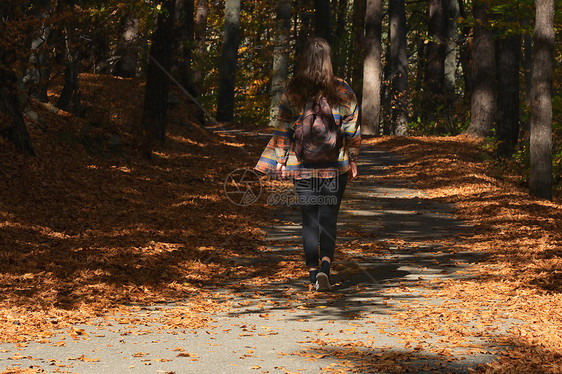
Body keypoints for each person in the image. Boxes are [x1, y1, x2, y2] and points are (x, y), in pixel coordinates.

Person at [256, 37, 360, 291]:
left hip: (301, 166)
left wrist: (280, 160)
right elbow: (352, 129)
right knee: (329, 218)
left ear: (305, 59)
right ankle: (326, 267)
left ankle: (313, 275)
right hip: (335, 167)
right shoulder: (343, 90)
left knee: (309, 220)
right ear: (328, 60)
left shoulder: (294, 90)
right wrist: (353, 158)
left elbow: (283, 129)